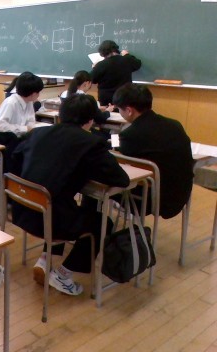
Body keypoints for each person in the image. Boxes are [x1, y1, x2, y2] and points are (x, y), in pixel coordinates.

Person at [11, 94, 129, 295]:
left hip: (23, 208)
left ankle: (45, 259)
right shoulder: (91, 142)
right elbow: (121, 179)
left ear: (61, 113)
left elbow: (16, 159)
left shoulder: (38, 132)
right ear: (90, 120)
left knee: (64, 204)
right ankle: (63, 275)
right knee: (102, 223)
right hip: (49, 220)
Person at [113, 83, 194, 219]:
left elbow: (117, 153)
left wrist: (113, 136)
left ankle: (98, 226)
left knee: (101, 185)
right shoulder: (175, 125)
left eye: (119, 109)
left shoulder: (130, 134)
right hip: (181, 194)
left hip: (151, 200)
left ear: (129, 110)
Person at [91, 40, 141, 106]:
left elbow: (92, 79)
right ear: (115, 49)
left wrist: (94, 68)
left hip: (106, 101)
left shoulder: (100, 65)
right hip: (125, 98)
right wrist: (127, 55)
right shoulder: (127, 60)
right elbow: (138, 64)